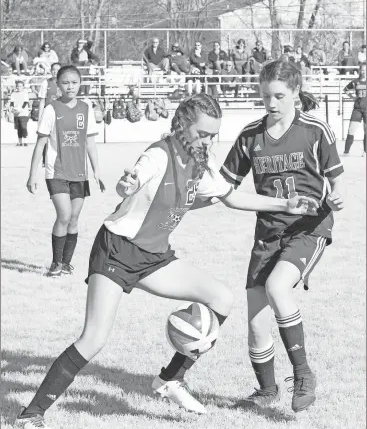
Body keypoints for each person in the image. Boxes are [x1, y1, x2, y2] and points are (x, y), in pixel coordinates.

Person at [16, 93, 318, 428]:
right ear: (183, 125)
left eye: (213, 135)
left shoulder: (200, 164)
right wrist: (125, 184)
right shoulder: (158, 156)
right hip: (117, 250)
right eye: (202, 133)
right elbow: (129, 183)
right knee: (94, 338)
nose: (208, 140)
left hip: (154, 256)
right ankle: (31, 414)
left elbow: (232, 198)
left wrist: (284, 205)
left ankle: (170, 379)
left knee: (222, 298)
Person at [216, 60, 344, 413]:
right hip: (267, 232)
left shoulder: (316, 130)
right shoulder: (249, 136)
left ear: (295, 94)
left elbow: (337, 180)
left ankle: (303, 375)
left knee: (276, 288)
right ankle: (266, 389)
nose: (270, 103)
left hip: (309, 228)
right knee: (256, 319)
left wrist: (336, 195)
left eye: (279, 96)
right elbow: (226, 190)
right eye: (265, 96)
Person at [26, 65, 104, 278]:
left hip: (79, 173)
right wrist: (32, 175)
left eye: (74, 82)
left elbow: (90, 142)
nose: (70, 86)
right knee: (64, 214)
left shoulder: (85, 108)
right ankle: (55, 263)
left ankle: (66, 263)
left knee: (74, 219)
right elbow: (40, 143)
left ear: (80, 83)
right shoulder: (51, 109)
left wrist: (96, 170)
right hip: (56, 173)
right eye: (65, 82)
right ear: (58, 85)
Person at [38, 62, 62, 167]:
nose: (55, 71)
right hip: (48, 114)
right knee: (45, 138)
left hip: (61, 113)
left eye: (57, 69)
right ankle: (44, 160)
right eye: (53, 69)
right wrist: (40, 117)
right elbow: (42, 101)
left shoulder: (65, 82)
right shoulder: (46, 83)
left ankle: (61, 159)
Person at [342, 62, 366, 157]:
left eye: (365, 70)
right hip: (357, 109)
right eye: (362, 70)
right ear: (360, 70)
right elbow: (345, 89)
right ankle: (346, 152)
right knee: (351, 130)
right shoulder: (355, 81)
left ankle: (365, 152)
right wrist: (352, 97)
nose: (364, 72)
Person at [10, 80, 30, 146]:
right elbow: (12, 102)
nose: (19, 87)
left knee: (23, 127)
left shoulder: (25, 93)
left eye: (20, 86)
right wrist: (12, 108)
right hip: (16, 114)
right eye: (18, 86)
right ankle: (20, 142)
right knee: (18, 128)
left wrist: (21, 109)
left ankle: (25, 141)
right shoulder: (13, 94)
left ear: (23, 87)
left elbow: (25, 102)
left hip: (23, 113)